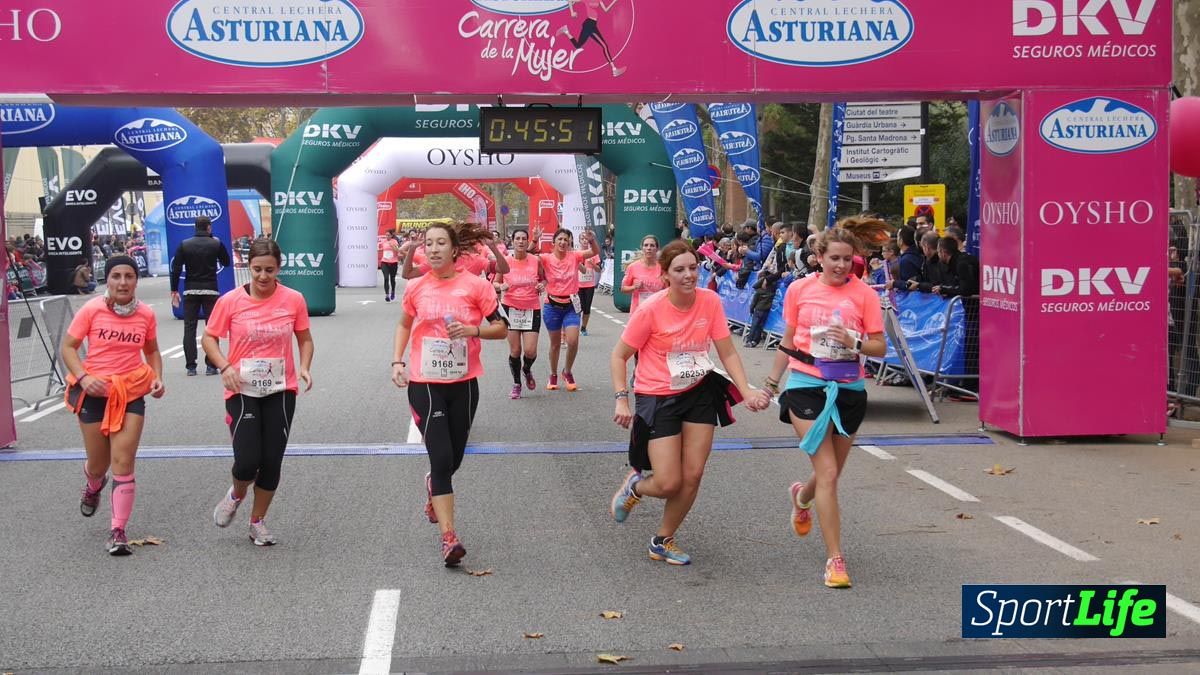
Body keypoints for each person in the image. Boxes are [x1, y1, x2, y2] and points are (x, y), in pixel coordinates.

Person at [609, 240, 771, 565]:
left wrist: (748, 390)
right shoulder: (651, 309)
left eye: (693, 268)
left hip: (698, 390)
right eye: (679, 270)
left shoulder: (709, 301)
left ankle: (662, 539)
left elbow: (727, 351)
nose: (688, 275)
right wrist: (621, 400)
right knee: (669, 481)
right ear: (665, 275)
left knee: (693, 474)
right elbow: (620, 355)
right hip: (657, 394)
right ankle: (637, 487)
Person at [762, 216, 891, 588]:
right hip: (806, 384)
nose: (840, 265)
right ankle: (835, 559)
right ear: (819, 256)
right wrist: (771, 385)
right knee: (829, 472)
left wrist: (855, 344)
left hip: (849, 389)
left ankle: (802, 497)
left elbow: (880, 346)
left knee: (827, 474)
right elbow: (787, 341)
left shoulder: (864, 295)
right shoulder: (799, 290)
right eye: (834, 258)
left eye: (847, 259)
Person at [391, 222, 508, 566]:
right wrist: (397, 360)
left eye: (442, 243)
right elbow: (403, 324)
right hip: (425, 382)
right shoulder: (416, 287)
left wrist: (473, 330)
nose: (434, 249)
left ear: (455, 250)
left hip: (463, 381)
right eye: (429, 244)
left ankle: (434, 486)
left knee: (454, 457)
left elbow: (501, 327)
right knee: (441, 458)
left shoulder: (475, 287)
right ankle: (449, 537)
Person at [204, 239, 315, 546]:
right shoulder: (230, 301)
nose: (263, 276)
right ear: (248, 268)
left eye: (269, 270)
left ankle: (257, 521)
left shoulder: (293, 299)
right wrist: (225, 367)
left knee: (271, 461)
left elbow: (305, 339)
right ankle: (236, 495)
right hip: (242, 388)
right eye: (257, 270)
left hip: (281, 388)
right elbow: (209, 339)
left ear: (279, 268)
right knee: (247, 460)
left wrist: (304, 367)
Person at [61, 255, 166, 556]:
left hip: (130, 392)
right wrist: (83, 377)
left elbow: (153, 351)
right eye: (116, 276)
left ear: (136, 279)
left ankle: (118, 530)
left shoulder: (145, 313)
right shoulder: (92, 308)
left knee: (123, 460)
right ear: (107, 279)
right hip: (93, 393)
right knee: (99, 464)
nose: (123, 282)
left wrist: (156, 378)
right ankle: (94, 485)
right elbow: (68, 347)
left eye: (129, 276)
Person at [532, 227, 600, 391]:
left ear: (570, 242)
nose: (563, 242)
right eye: (560, 239)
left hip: (571, 305)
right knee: (555, 344)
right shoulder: (546, 258)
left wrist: (591, 240)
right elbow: (527, 256)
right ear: (554, 242)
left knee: (572, 340)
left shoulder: (575, 256)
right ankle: (553, 374)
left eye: (566, 239)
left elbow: (594, 252)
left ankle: (567, 371)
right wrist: (534, 240)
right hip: (552, 306)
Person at [170, 216, 231, 377]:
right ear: (209, 228)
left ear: (195, 227)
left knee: (189, 327)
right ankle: (211, 365)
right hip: (211, 289)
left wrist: (174, 289)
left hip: (190, 289)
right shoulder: (216, 243)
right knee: (211, 328)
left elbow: (175, 269)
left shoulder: (185, 244)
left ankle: (191, 366)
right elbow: (226, 262)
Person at [494, 229, 545, 400]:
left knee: (530, 351)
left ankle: (527, 369)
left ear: (527, 241)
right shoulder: (505, 261)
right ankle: (517, 383)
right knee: (515, 350)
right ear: (512, 241)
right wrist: (501, 287)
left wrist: (541, 285)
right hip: (510, 308)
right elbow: (494, 282)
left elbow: (543, 278)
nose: (521, 241)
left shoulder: (535, 260)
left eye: (524, 238)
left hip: (531, 308)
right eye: (518, 239)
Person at [556, 0, 626, 77]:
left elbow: (606, 10)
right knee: (604, 46)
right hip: (589, 24)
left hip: (592, 25)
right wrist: (572, 12)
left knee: (578, 45)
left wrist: (614, 1)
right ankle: (614, 69)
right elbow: (570, 0)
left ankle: (566, 31)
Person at [621, 235, 665, 315]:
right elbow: (623, 288)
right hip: (638, 312)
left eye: (652, 245)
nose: (649, 248)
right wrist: (634, 287)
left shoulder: (662, 268)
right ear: (642, 248)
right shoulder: (633, 267)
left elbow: (668, 291)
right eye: (646, 245)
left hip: (657, 313)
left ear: (657, 248)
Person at [578, 247, 601, 336]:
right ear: (580, 240)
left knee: (587, 308)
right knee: (578, 308)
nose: (584, 241)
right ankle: (575, 327)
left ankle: (583, 328)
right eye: (582, 239)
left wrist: (593, 264)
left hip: (589, 285)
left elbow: (598, 270)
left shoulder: (593, 254)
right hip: (578, 285)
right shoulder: (577, 253)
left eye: (586, 239)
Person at [380, 231, 401, 302]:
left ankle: (393, 291)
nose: (387, 237)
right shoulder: (384, 241)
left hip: (393, 262)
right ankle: (387, 295)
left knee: (392, 278)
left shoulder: (394, 241)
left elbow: (398, 251)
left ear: (391, 236)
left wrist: (393, 246)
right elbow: (383, 249)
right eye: (386, 235)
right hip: (384, 262)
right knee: (386, 278)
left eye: (388, 235)